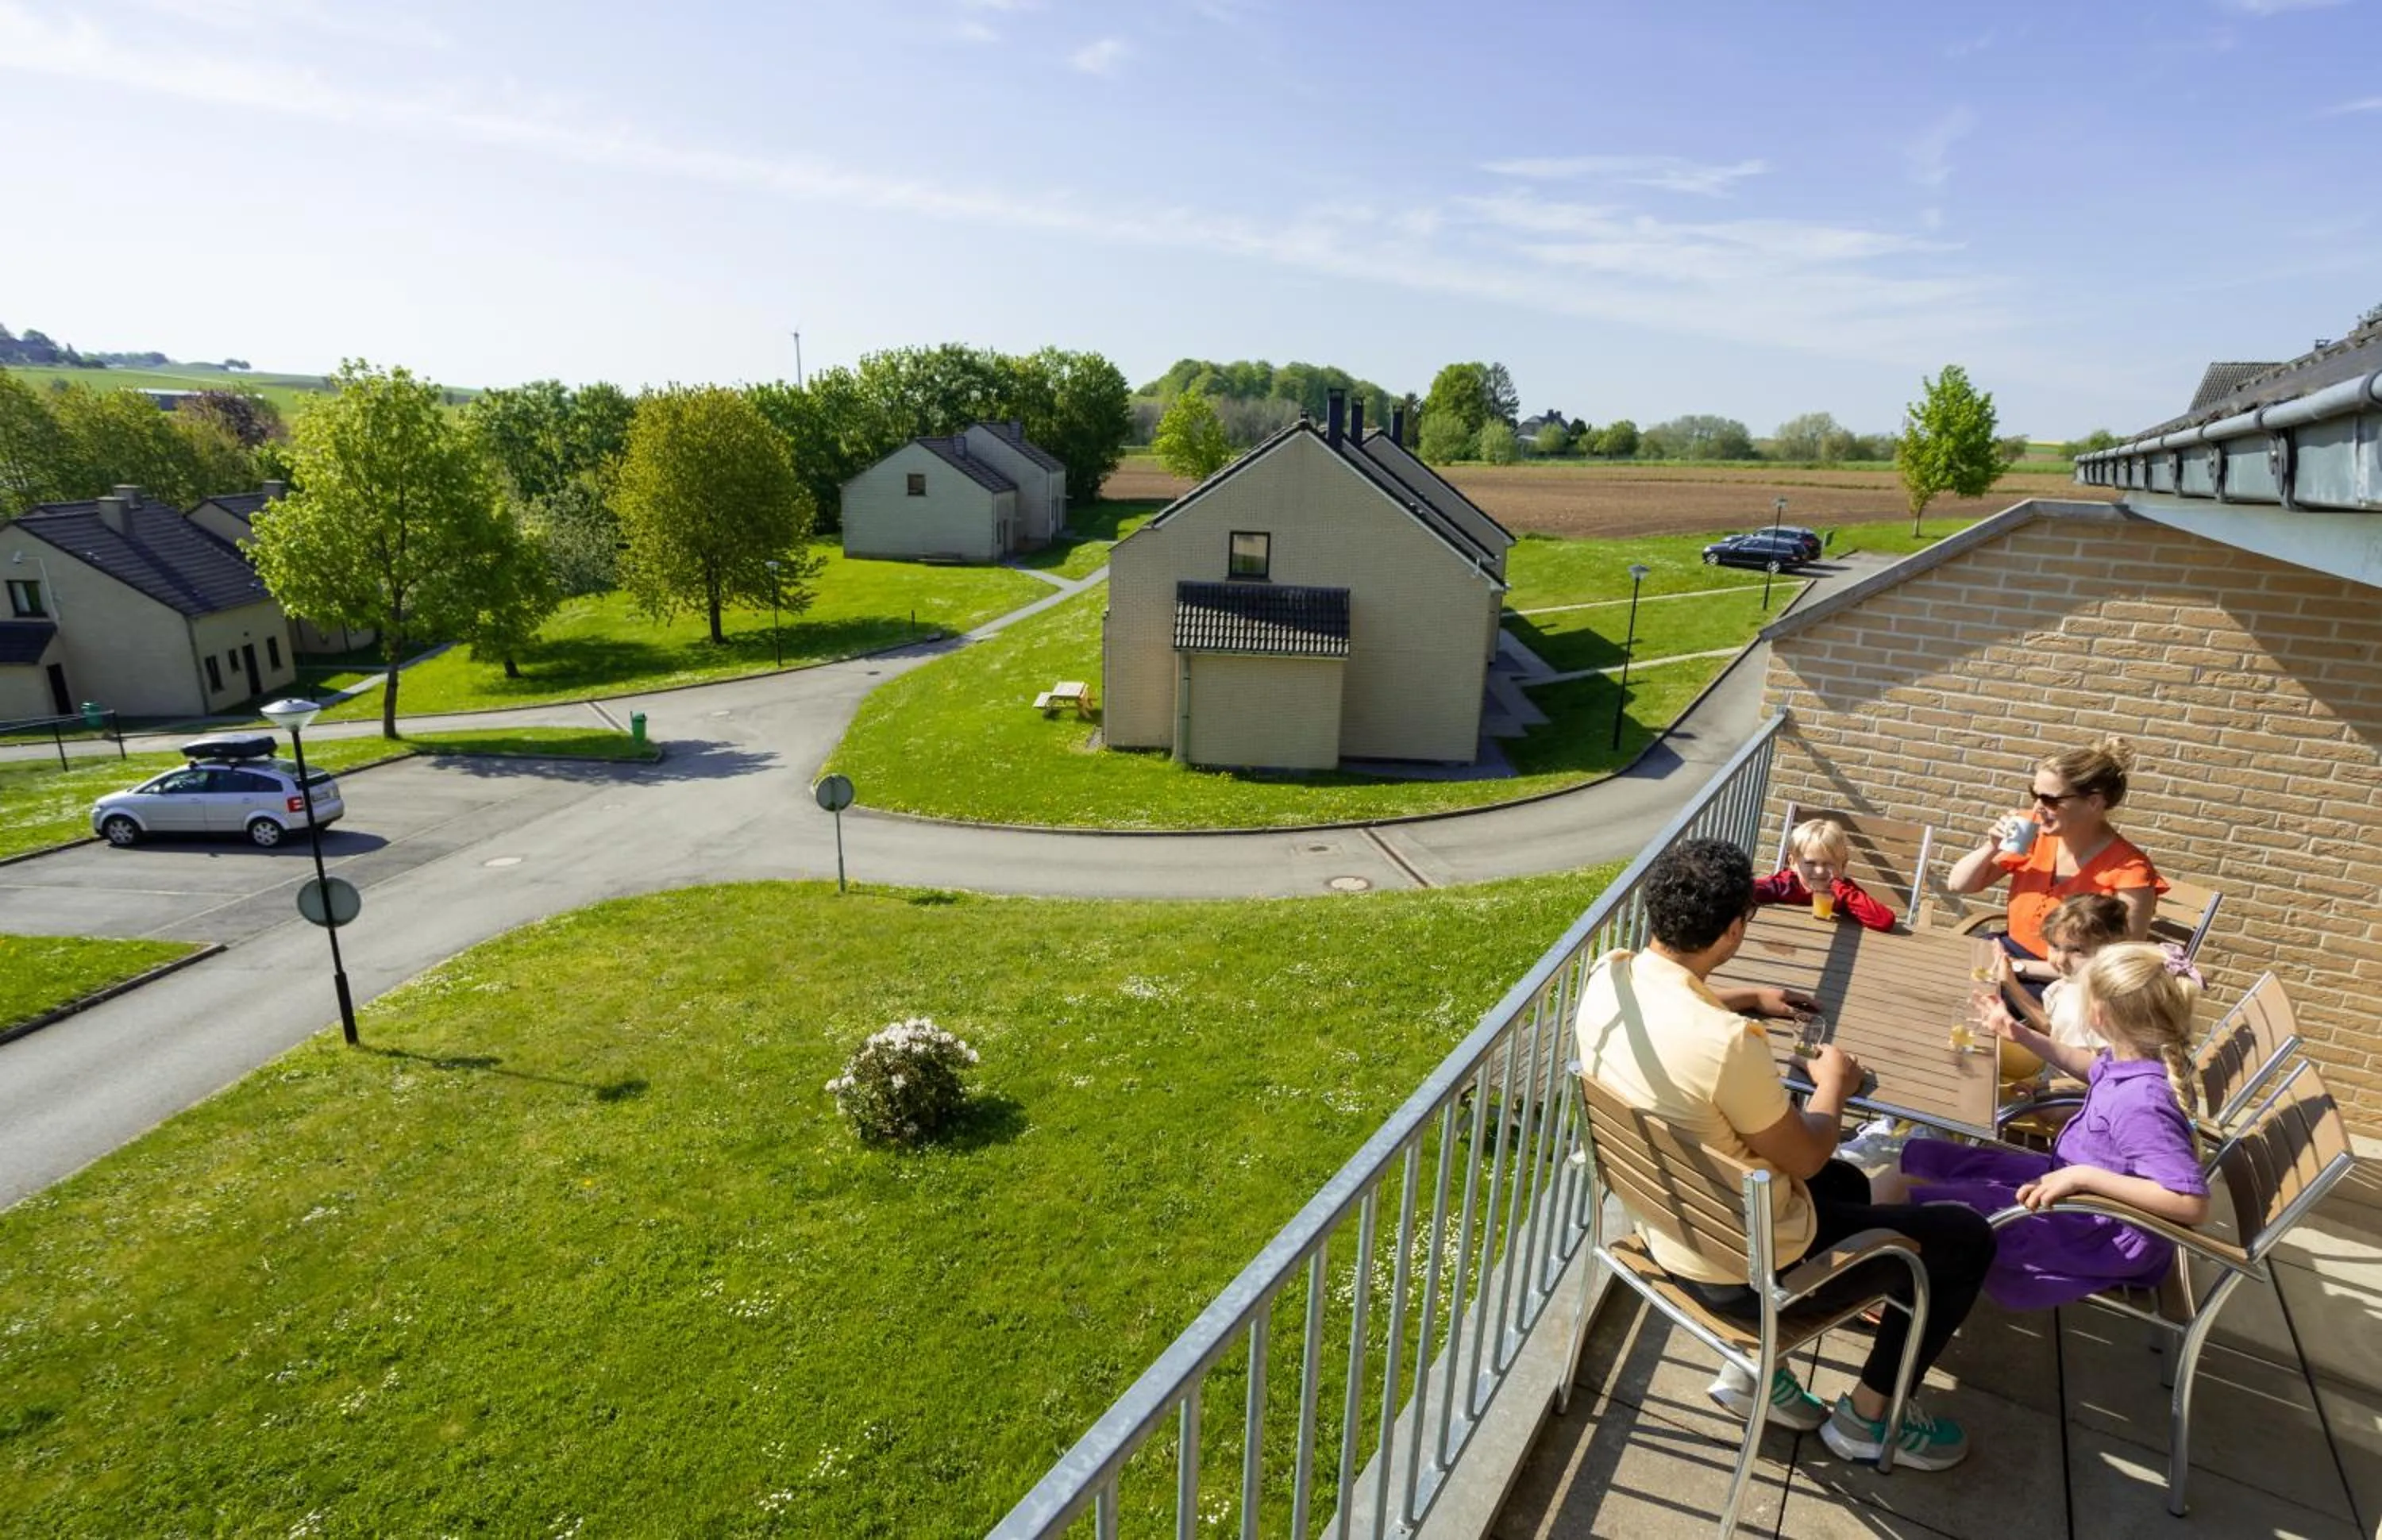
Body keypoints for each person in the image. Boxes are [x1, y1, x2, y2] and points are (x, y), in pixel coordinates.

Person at [1574, 838, 1995, 1471]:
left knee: (1849, 1183)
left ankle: (1757, 1379)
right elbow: (1802, 1156)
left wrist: (1744, 997)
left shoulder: (1611, 975)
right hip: (1737, 1271)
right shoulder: (1726, 1045)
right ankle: (1869, 1421)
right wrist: (1835, 1084)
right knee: (1964, 1238)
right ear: (1736, 927)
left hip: (1666, 1224)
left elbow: (1675, 1014)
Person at [1887, 943, 2210, 1311]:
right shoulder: (2132, 1058)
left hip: (2092, 1233)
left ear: (2100, 1014)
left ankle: (1876, 1284)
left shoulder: (2142, 1102)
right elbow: (2091, 1068)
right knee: (1923, 1159)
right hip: (2072, 1194)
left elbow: (2191, 1204)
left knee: (1928, 1212)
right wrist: (2018, 1033)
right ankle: (1854, 1243)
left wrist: (2086, 1177)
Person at [1944, 736, 2169, 995]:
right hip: (2008, 952)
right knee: (1938, 977)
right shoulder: (2031, 831)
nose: (2038, 807)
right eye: (2034, 794)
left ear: (2094, 803)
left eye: (2050, 800)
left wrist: (2019, 968)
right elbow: (1959, 884)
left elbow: (2119, 964)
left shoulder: (2130, 870)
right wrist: (1992, 845)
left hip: (2067, 982)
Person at [2005, 892, 2132, 1052]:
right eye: (2055, 946)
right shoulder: (2072, 984)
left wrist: (2011, 986)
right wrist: (2010, 982)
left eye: (2077, 950)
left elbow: (2081, 1063)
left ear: (2111, 948)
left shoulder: (2097, 1003)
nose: (2060, 960)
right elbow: (2056, 1029)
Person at [1752, 816, 1896, 931]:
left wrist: (1840, 890)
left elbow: (1884, 920)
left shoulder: (1844, 891)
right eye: (1810, 863)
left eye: (1829, 864)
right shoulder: (1786, 884)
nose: (1820, 871)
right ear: (1793, 863)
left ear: (1843, 866)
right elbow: (1748, 891)